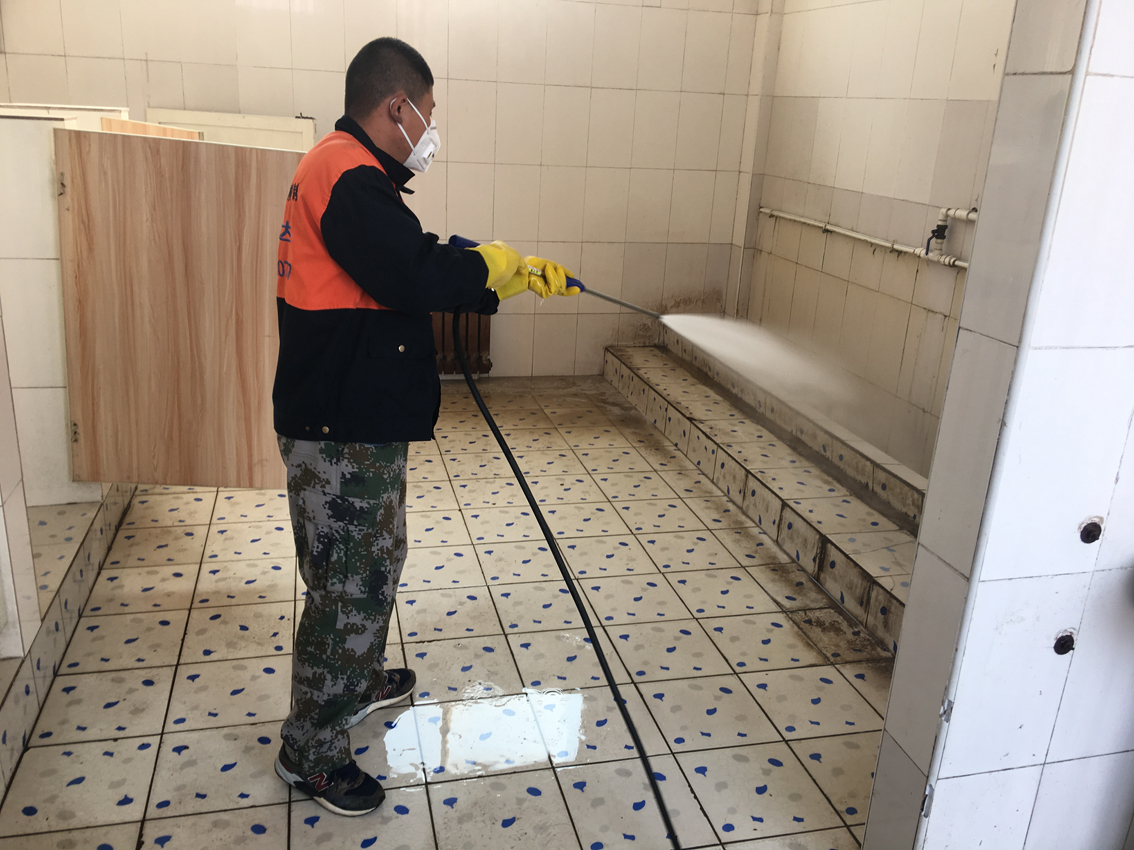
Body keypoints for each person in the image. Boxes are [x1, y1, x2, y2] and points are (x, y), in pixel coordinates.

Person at [270, 36, 576, 816]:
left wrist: (496, 272)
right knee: (349, 585)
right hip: (338, 426)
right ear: (396, 106)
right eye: (428, 114)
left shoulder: (352, 173)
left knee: (375, 563)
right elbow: (409, 272)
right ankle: (310, 752)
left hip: (353, 416)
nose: (430, 130)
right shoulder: (345, 173)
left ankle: (355, 682)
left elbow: (397, 262)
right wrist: (491, 267)